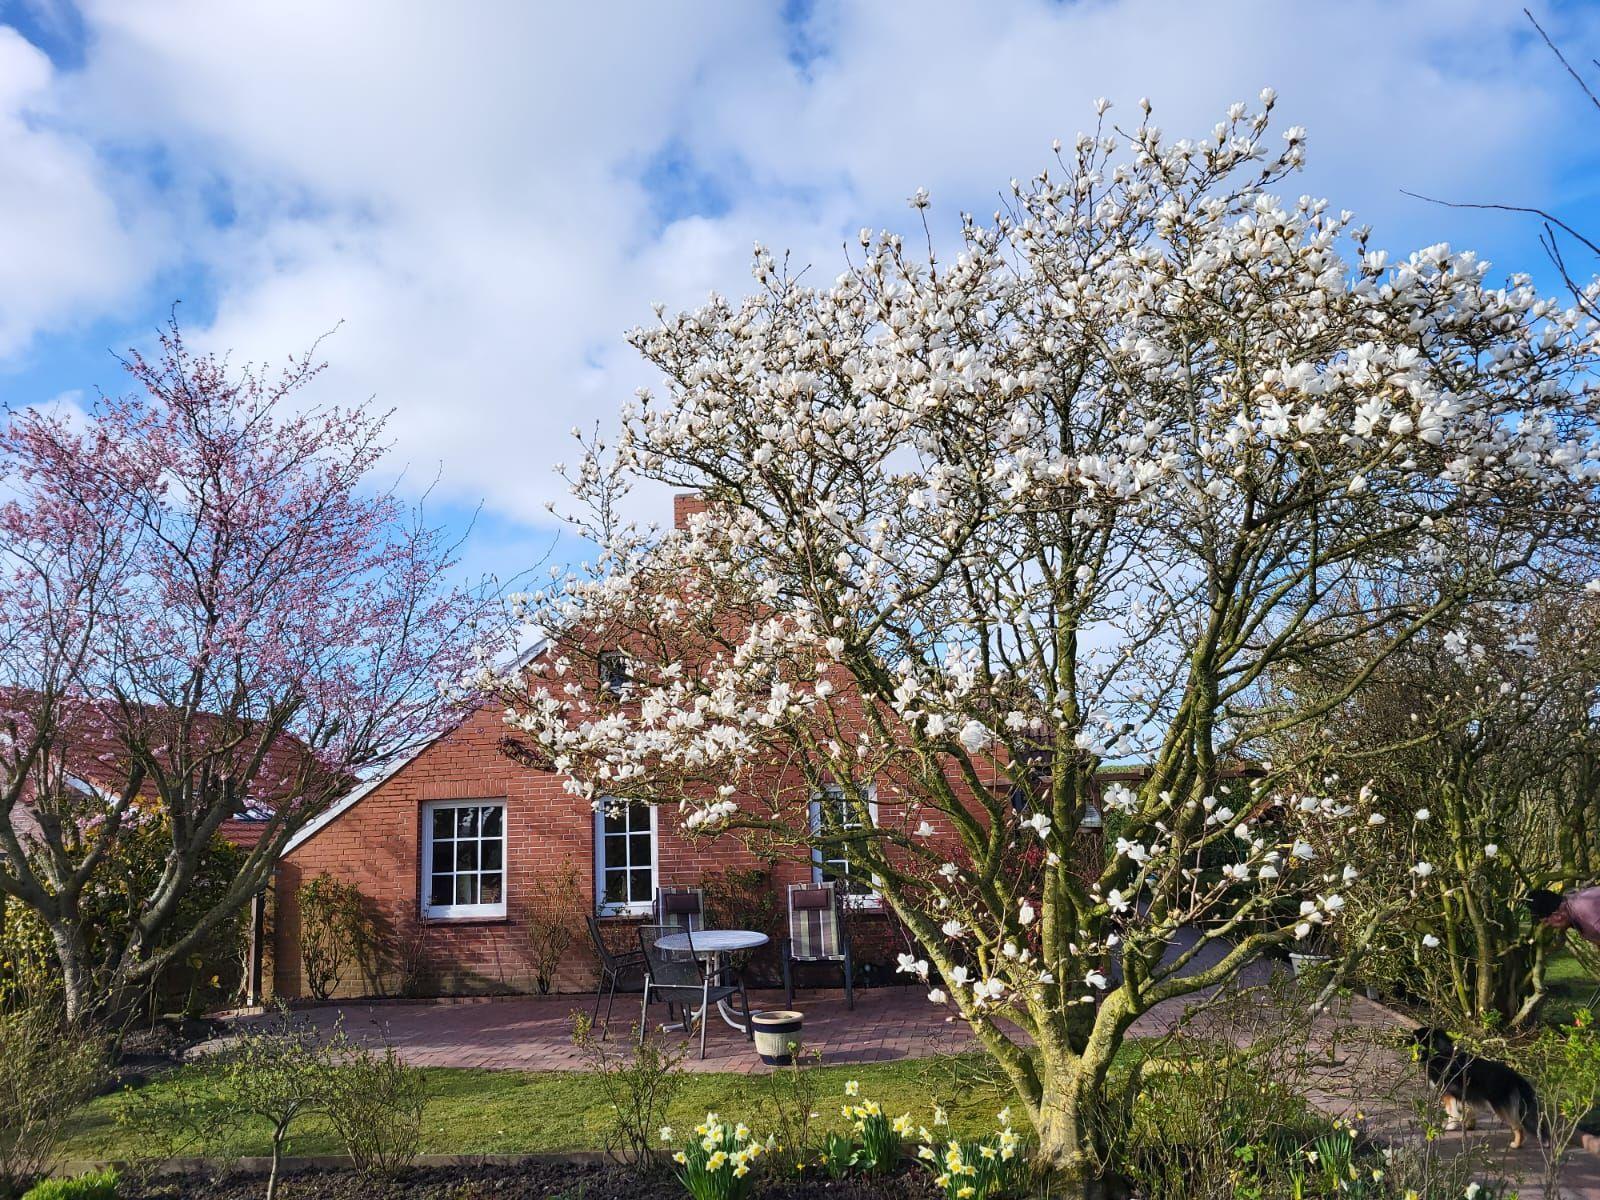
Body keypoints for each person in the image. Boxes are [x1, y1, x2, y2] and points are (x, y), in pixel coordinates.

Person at [1527, 887, 1600, 947]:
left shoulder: (1589, 917)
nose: (1548, 925)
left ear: (1556, 915)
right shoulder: (1574, 905)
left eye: (1547, 921)